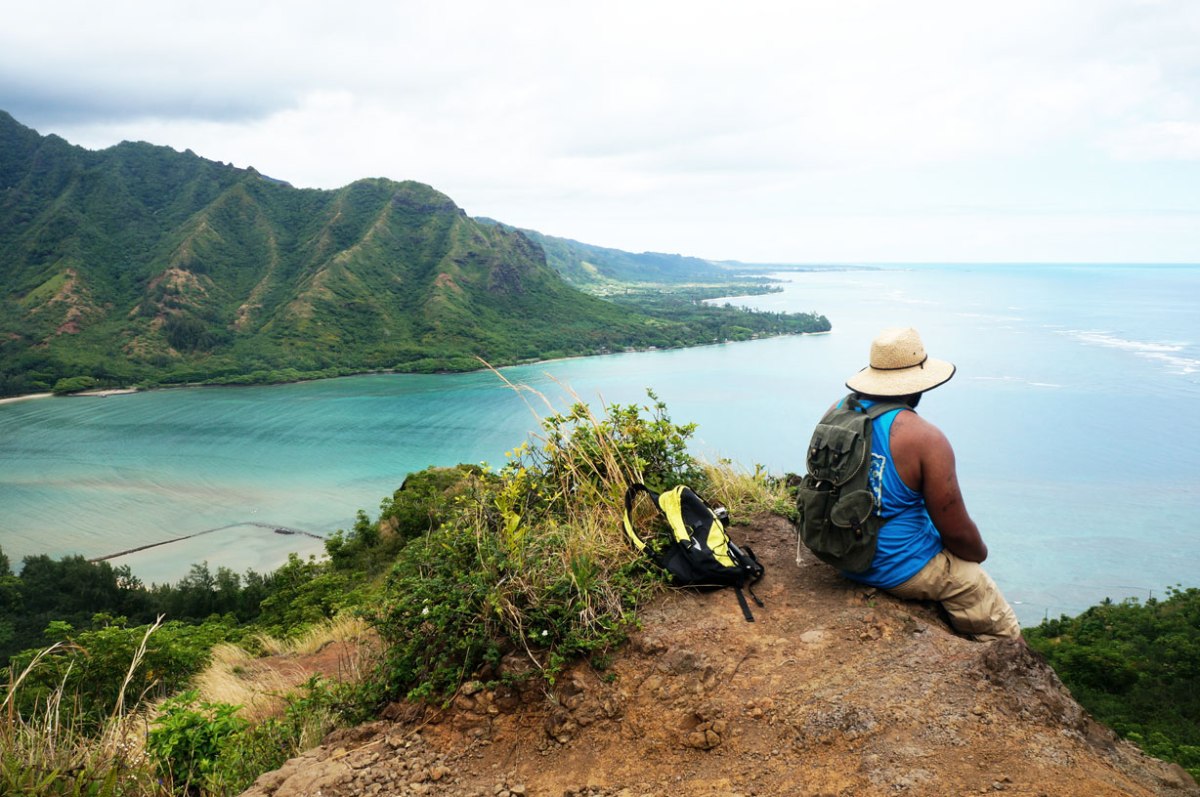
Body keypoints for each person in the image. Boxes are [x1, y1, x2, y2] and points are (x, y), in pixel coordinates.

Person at [824, 327, 1020, 641]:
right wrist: (978, 553)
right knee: (985, 603)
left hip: (839, 550)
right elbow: (955, 530)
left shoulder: (838, 410)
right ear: (918, 384)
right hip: (894, 564)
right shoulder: (924, 437)